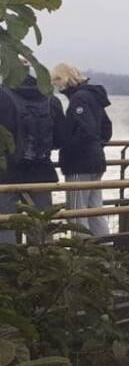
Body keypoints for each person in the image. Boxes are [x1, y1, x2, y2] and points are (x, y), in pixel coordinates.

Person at [0, 72, 65, 244]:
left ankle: (8, 267)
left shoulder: (2, 96)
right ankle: (43, 266)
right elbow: (60, 138)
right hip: (42, 172)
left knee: (5, 224)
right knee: (41, 223)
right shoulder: (51, 99)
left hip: (7, 173)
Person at [51, 63, 112, 237]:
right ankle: (105, 254)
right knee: (94, 210)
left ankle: (82, 257)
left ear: (64, 79)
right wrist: (97, 147)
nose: (56, 86)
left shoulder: (79, 98)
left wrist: (67, 145)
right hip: (96, 160)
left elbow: (86, 130)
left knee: (77, 212)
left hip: (79, 163)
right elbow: (106, 128)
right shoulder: (93, 96)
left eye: (56, 81)